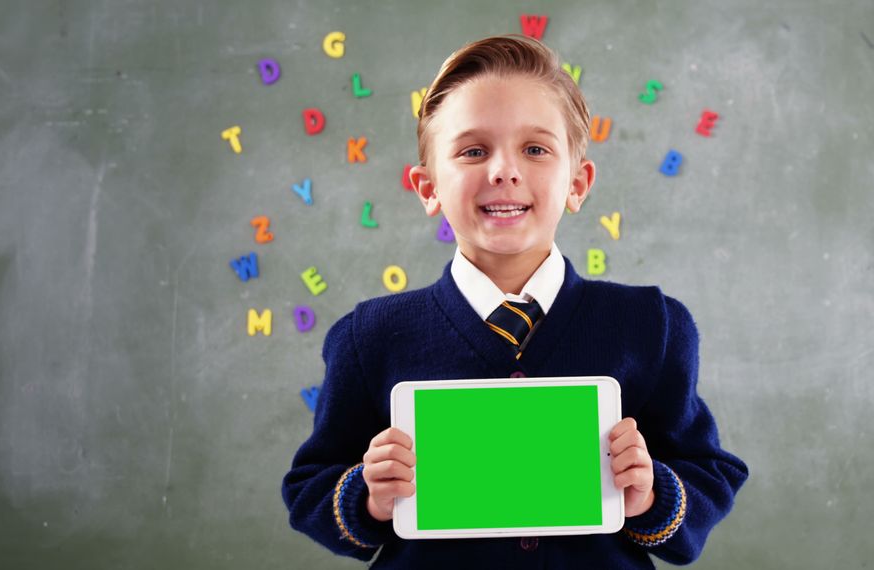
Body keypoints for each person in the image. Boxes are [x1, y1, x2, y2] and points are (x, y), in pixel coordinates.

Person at [281, 34, 748, 569]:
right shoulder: (371, 334)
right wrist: (368, 495)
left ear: (578, 182)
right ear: (427, 187)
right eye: (473, 150)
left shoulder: (650, 325)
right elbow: (311, 486)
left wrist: (649, 494)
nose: (504, 170)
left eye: (535, 149)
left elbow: (708, 472)